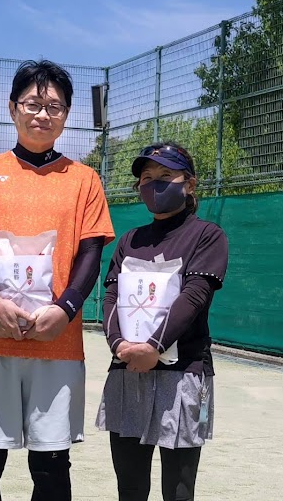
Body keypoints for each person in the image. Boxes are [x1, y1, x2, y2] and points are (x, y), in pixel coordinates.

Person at [0, 59, 115, 501]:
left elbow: (91, 252)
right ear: (13, 108)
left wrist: (66, 309)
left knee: (51, 466)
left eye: (54, 107)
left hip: (56, 340)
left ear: (66, 115)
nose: (43, 114)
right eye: (33, 104)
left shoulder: (84, 180)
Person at [96, 142, 229, 501]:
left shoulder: (208, 235)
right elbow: (111, 297)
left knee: (179, 491)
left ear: (190, 184)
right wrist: (120, 345)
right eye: (147, 178)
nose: (154, 184)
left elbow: (195, 297)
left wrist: (154, 347)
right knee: (130, 488)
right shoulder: (130, 240)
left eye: (166, 175)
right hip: (127, 369)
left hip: (183, 373)